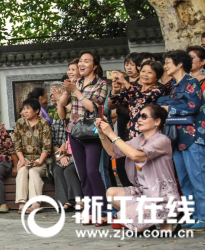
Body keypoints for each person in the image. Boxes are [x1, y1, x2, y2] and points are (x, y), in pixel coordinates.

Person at [97, 104, 180, 233]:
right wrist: (102, 134)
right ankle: (148, 223)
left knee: (125, 217)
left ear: (157, 121)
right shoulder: (137, 140)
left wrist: (111, 134)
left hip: (161, 198)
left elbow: (137, 156)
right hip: (143, 194)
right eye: (139, 116)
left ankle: (166, 224)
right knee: (111, 193)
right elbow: (112, 151)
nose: (139, 119)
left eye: (144, 116)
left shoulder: (162, 140)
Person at [58, 49, 109, 224]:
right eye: (81, 60)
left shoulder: (101, 84)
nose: (81, 63)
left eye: (86, 61)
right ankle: (90, 210)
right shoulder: (76, 82)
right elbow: (63, 104)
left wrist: (76, 91)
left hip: (92, 132)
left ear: (94, 66)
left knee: (93, 171)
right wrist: (67, 90)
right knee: (83, 173)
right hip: (74, 131)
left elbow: (93, 108)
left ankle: (102, 211)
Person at [157, 50, 205, 231]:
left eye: (168, 63)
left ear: (179, 64)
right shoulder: (175, 86)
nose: (165, 66)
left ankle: (203, 217)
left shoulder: (192, 82)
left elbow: (193, 106)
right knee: (184, 180)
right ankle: (194, 215)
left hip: (193, 137)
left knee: (198, 178)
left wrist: (168, 107)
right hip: (177, 138)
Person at [51, 64, 83, 212]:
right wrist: (60, 155)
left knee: (69, 169)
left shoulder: (81, 91)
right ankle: (64, 202)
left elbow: (78, 113)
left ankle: (78, 200)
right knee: (58, 169)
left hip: (79, 145)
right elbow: (62, 116)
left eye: (73, 70)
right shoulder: (60, 122)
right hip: (65, 150)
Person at [12, 98, 52, 213]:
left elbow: (47, 146)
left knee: (33, 171)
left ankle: (35, 204)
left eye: (28, 109)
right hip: (25, 158)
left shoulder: (43, 123)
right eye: (24, 109)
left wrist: (39, 161)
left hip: (41, 159)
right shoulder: (20, 123)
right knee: (22, 171)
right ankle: (22, 204)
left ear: (36, 110)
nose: (25, 111)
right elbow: (17, 144)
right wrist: (22, 160)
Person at [110, 60, 166, 140]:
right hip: (133, 130)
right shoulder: (136, 88)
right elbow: (115, 101)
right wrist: (115, 90)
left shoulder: (159, 89)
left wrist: (125, 82)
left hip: (149, 131)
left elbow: (142, 99)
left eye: (149, 73)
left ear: (157, 76)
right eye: (143, 71)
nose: (145, 75)